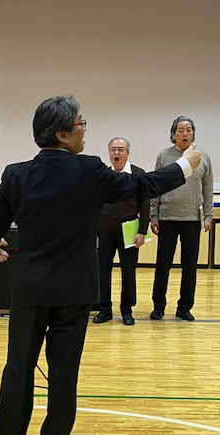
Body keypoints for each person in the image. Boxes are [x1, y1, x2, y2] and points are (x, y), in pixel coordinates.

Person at [0, 95, 200, 435]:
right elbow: (140, 186)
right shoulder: (90, 170)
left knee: (18, 366)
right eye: (80, 123)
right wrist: (184, 167)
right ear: (63, 134)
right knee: (64, 370)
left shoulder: (16, 174)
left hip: (31, 288)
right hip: (75, 289)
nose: (85, 130)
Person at [149, 116, 214, 322]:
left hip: (192, 220)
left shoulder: (203, 157)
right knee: (163, 265)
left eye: (189, 130)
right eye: (180, 130)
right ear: (173, 134)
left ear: (193, 133)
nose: (185, 134)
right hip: (167, 218)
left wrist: (208, 216)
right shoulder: (164, 156)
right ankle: (158, 306)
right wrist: (153, 215)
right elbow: (155, 186)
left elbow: (208, 189)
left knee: (190, 267)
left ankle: (184, 307)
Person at [93, 137, 150, 326]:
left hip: (129, 231)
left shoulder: (138, 175)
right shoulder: (103, 175)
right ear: (109, 153)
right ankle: (104, 309)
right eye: (113, 149)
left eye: (120, 149)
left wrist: (142, 231)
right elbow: (93, 205)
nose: (116, 153)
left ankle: (127, 310)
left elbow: (145, 205)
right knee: (102, 271)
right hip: (104, 231)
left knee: (128, 271)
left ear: (127, 153)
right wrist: (93, 233)